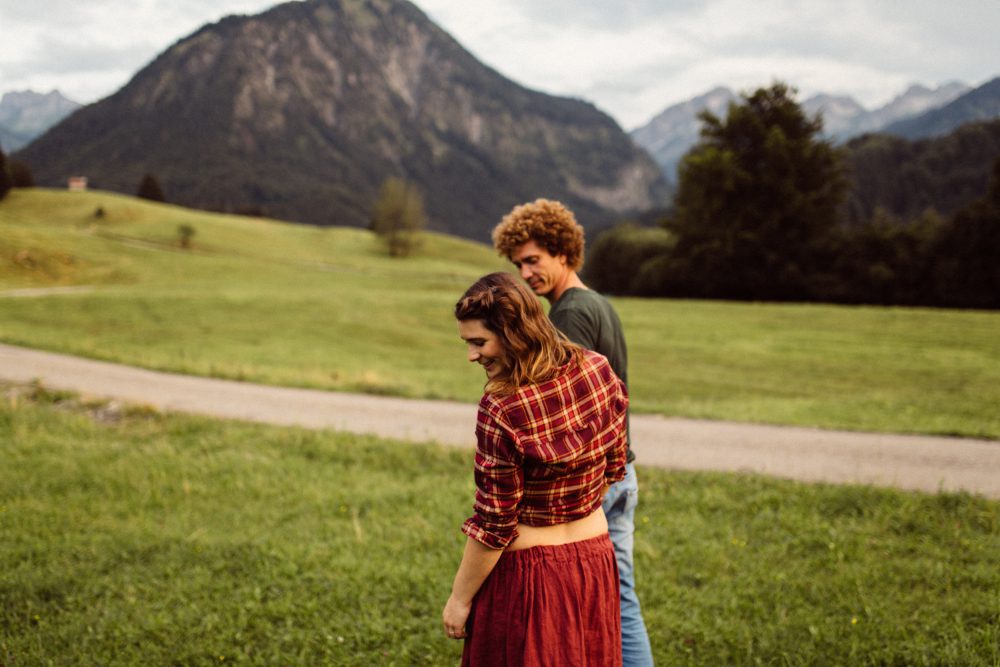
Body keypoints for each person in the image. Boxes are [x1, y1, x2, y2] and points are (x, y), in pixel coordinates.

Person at [492, 199, 655, 666]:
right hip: (619, 472)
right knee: (620, 598)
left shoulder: (569, 316)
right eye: (518, 264)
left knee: (586, 604)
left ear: (563, 251)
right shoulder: (598, 304)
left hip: (594, 482)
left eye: (533, 260)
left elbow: (565, 412)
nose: (525, 273)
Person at [443, 271, 629, 666]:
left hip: (531, 578)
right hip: (594, 560)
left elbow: (495, 524)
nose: (472, 356)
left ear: (513, 334)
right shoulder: (597, 369)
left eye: (479, 342)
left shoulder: (502, 407)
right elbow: (615, 466)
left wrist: (459, 598)